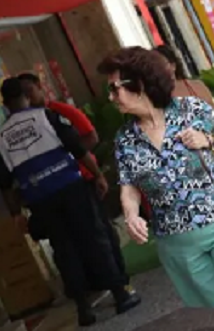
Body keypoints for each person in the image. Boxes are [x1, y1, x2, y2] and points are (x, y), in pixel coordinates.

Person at [99, 48, 214, 331]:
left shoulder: (191, 110)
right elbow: (129, 186)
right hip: (179, 242)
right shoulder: (125, 139)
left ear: (140, 84)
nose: (111, 97)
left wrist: (209, 141)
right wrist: (132, 215)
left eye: (115, 88)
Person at [0, 78, 140, 326]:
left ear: (4, 104)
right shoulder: (46, 116)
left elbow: (5, 183)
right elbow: (77, 148)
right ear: (25, 97)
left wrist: (16, 213)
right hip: (71, 188)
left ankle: (83, 309)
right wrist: (98, 174)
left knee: (64, 250)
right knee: (94, 239)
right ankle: (120, 294)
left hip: (40, 199)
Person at [17, 73, 130, 284]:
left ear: (39, 87)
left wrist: (69, 157)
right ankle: (95, 280)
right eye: (22, 94)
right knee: (74, 239)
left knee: (99, 230)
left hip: (82, 178)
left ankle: (119, 276)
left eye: (29, 91)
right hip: (56, 188)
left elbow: (91, 137)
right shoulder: (27, 126)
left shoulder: (59, 111)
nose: (27, 98)